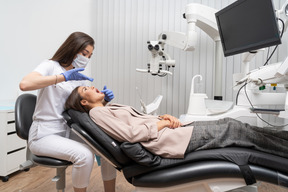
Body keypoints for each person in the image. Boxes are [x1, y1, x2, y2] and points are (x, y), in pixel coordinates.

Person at [65, 85, 288, 160]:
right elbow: (131, 136)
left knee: (231, 123)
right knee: (235, 129)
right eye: (86, 89)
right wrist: (162, 125)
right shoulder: (98, 114)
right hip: (168, 141)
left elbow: (138, 123)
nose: (93, 87)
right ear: (84, 102)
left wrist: (163, 117)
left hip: (171, 132)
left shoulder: (106, 108)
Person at [19, 32, 116, 192]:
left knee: (107, 149)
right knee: (84, 156)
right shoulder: (50, 66)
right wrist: (62, 77)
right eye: (84, 53)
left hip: (67, 131)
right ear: (73, 48)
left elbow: (84, 109)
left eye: (89, 56)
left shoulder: (80, 78)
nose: (86, 58)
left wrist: (104, 101)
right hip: (44, 134)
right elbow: (25, 84)